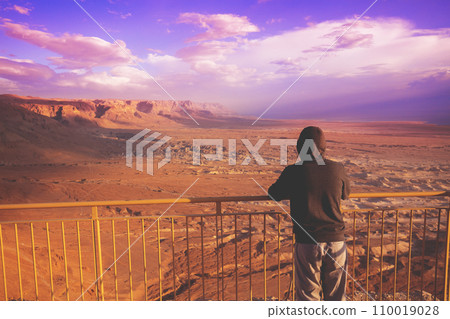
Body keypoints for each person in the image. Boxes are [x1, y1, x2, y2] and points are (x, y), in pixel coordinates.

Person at [268, 126, 350, 301]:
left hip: (308, 243)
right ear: (323, 148)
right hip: (337, 241)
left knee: (308, 298)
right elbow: (346, 194)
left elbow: (273, 193)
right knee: (337, 298)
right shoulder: (337, 168)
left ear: (300, 148)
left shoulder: (293, 171)